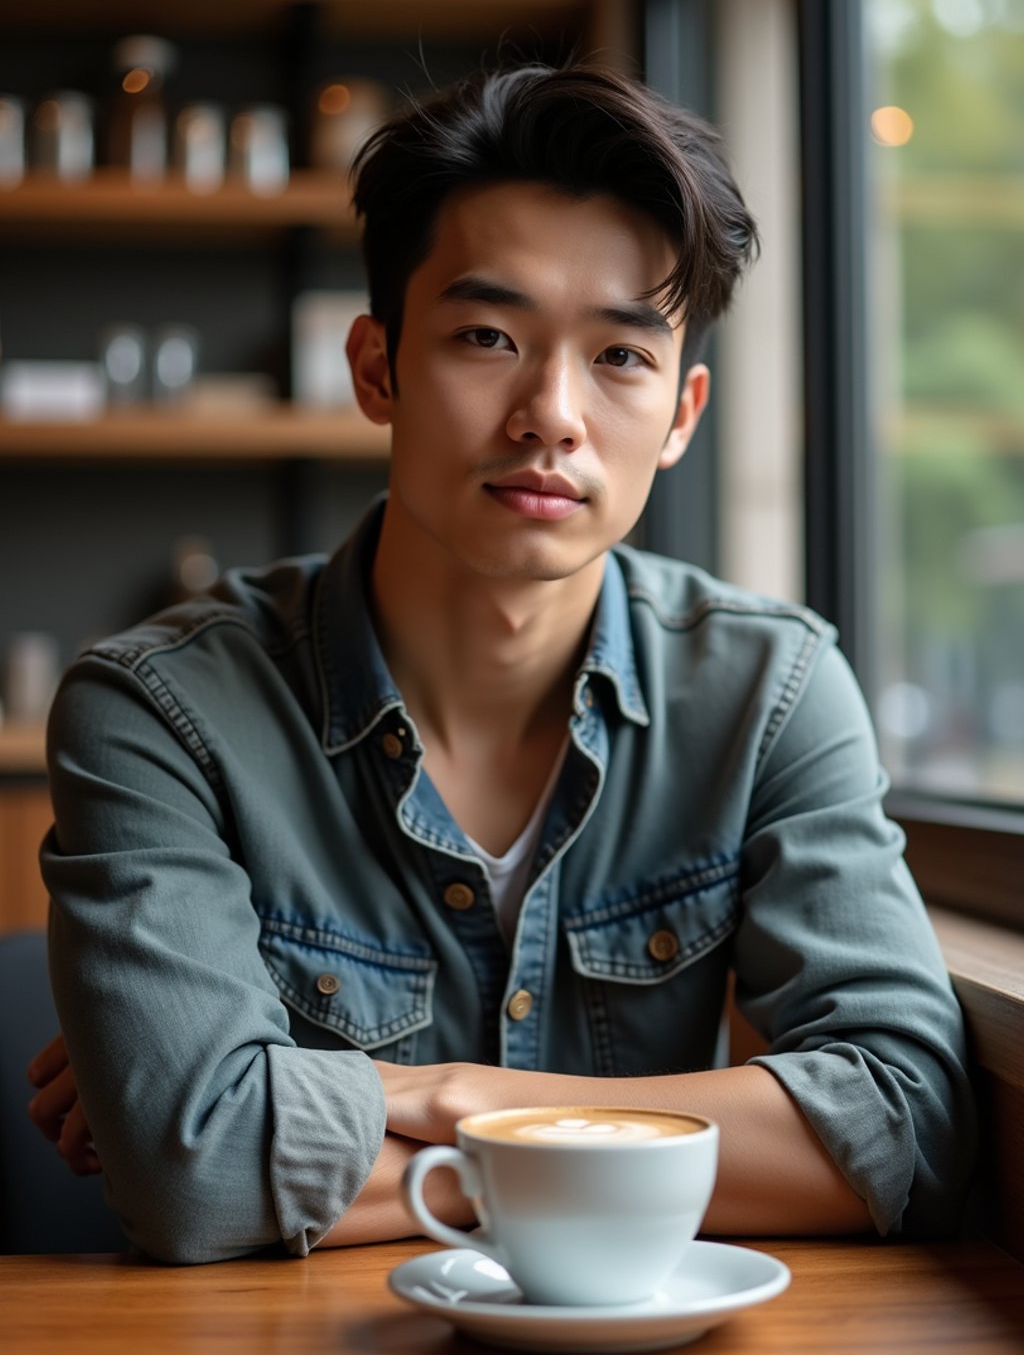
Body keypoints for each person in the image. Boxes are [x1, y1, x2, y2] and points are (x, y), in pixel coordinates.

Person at [28, 61, 973, 1264]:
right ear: (378, 368)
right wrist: (683, 1142)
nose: (551, 414)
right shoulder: (159, 713)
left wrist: (450, 1103)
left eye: (619, 358)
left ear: (681, 416)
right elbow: (192, 1175)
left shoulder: (769, 692)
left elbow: (901, 1125)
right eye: (487, 334)